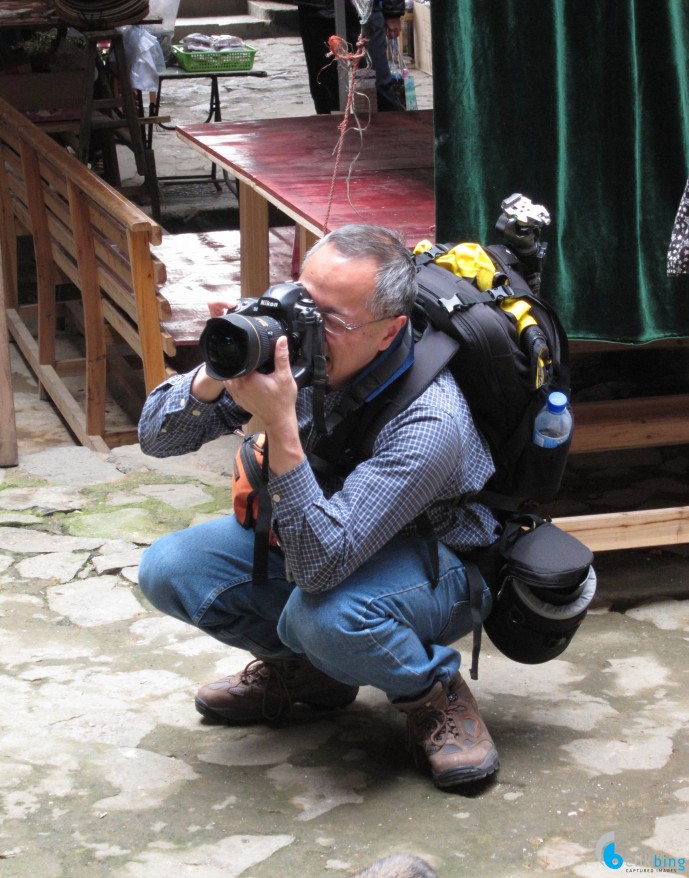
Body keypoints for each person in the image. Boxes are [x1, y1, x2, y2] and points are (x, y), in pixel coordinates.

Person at [137, 224, 501, 789]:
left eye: (331, 319)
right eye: (302, 299)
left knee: (323, 617)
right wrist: (220, 364)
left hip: (434, 565)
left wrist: (279, 425)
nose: (304, 324)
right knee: (170, 569)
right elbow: (156, 438)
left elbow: (317, 567)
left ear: (389, 333)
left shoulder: (430, 420)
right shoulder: (302, 355)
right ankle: (311, 676)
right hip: (330, 534)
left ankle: (433, 692)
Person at [282, 0, 405, 114]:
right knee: (325, 86)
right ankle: (332, 134)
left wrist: (392, 11)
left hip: (363, 5)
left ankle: (390, 134)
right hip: (317, 2)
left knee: (377, 82)